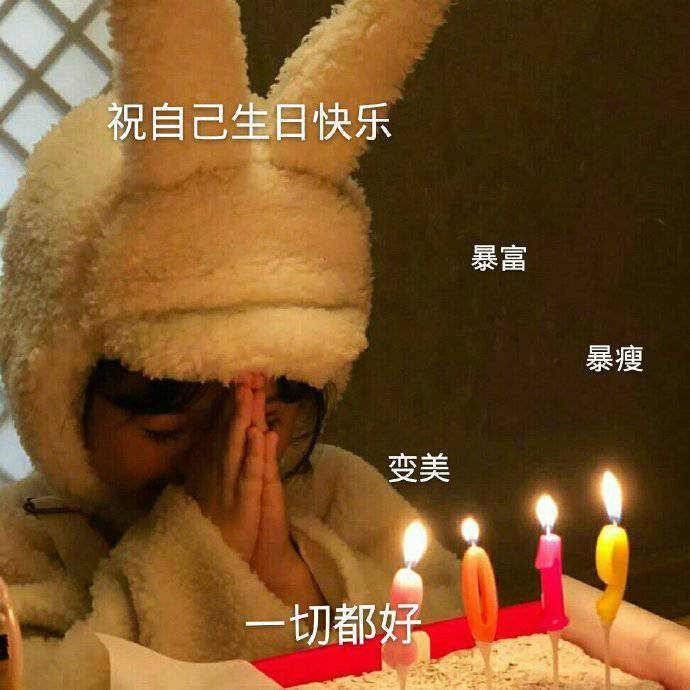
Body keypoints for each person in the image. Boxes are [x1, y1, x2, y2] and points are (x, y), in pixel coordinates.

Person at [0, 0, 459, 687]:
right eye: (165, 427)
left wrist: (290, 574)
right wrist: (201, 561)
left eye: (268, 414)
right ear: (58, 399)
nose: (231, 453)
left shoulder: (337, 493)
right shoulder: (26, 536)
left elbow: (456, 633)